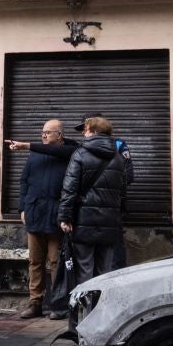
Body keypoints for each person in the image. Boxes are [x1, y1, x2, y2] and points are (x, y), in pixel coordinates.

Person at [5, 119, 77, 317]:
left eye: (48, 132)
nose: (43, 135)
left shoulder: (71, 152)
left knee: (56, 262)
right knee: (35, 262)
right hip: (35, 213)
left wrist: (25, 145)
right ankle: (35, 303)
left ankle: (58, 305)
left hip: (56, 216)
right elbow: (24, 181)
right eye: (42, 132)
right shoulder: (36, 154)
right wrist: (22, 208)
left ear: (59, 135)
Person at [59, 115, 132, 286]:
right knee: (104, 272)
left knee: (84, 269)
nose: (83, 134)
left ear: (93, 131)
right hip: (109, 222)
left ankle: (86, 311)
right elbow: (122, 191)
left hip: (84, 220)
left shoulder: (80, 154)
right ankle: (102, 310)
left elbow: (69, 188)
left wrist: (64, 217)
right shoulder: (119, 158)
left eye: (85, 130)